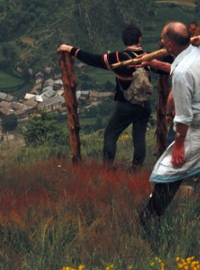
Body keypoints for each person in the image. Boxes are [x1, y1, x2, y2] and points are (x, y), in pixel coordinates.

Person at [140, 21, 200, 223]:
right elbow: (189, 67)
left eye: (162, 41)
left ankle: (149, 218)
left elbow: (183, 117)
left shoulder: (181, 75)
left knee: (171, 167)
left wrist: (179, 146)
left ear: (169, 46)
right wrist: (156, 65)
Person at [57, 24, 170, 169]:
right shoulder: (147, 57)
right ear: (140, 40)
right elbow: (165, 70)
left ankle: (108, 168)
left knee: (111, 133)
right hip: (144, 105)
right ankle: (136, 169)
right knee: (139, 137)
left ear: (124, 41)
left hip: (126, 105)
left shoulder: (118, 57)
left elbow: (93, 59)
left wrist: (70, 49)